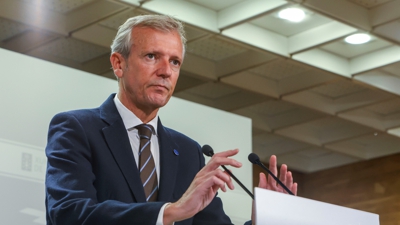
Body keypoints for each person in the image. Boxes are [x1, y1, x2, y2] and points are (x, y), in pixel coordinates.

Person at [45, 14, 297, 225]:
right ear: (118, 64)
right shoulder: (77, 129)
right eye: (152, 56)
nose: (166, 71)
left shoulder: (189, 152)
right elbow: (67, 214)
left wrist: (266, 217)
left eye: (175, 61)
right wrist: (170, 212)